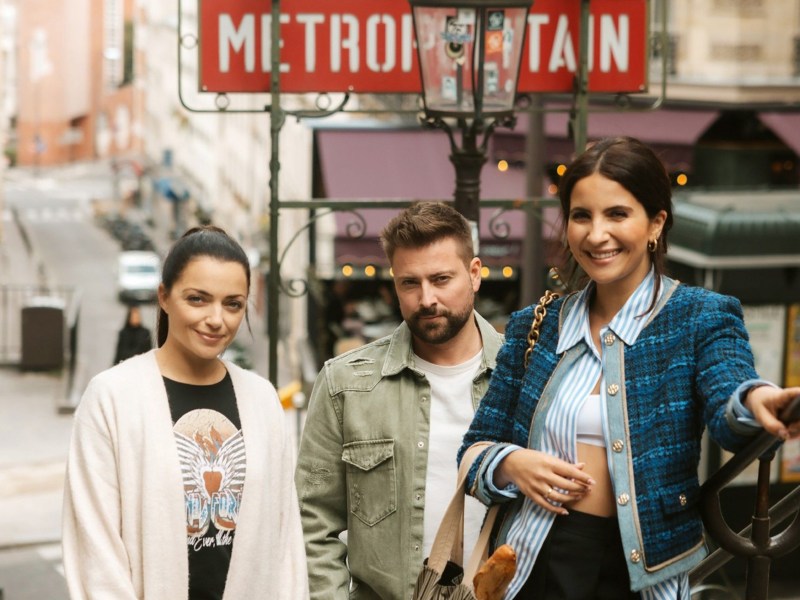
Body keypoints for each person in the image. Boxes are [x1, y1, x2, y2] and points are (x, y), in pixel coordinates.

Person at [458, 136, 800, 600]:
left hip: (645, 571)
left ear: (655, 223)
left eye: (617, 214)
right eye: (582, 216)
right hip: (534, 560)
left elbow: (728, 391)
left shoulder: (701, 316)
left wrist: (759, 400)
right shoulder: (534, 326)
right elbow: (474, 450)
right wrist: (512, 464)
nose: (596, 235)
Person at [63, 225, 308, 600]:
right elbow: (95, 549)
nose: (216, 319)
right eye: (197, 299)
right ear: (163, 297)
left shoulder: (262, 400)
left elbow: (284, 541)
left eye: (233, 304)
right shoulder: (112, 397)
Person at [295, 202, 505, 600]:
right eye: (410, 283)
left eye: (441, 279)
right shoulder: (345, 384)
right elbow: (311, 522)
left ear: (475, 274)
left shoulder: (523, 377)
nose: (427, 298)